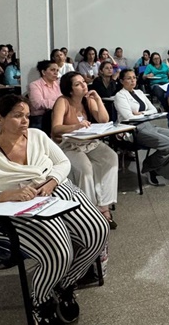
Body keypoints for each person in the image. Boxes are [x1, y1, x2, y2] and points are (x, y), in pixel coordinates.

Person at [0, 94, 109, 325]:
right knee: (58, 251)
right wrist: (6, 194)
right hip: (13, 210)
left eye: (27, 115)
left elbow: (62, 163)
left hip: (53, 191)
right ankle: (41, 299)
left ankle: (65, 282)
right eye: (17, 116)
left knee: (97, 230)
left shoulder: (37, 136)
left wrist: (52, 181)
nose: (25, 121)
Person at [51, 73, 119, 228]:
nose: (83, 85)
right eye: (78, 84)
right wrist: (75, 126)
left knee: (110, 158)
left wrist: (98, 100)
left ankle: (104, 206)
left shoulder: (87, 100)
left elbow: (103, 120)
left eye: (83, 82)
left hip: (88, 141)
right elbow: (56, 129)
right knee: (85, 168)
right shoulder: (63, 101)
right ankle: (89, 210)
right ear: (70, 89)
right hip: (68, 144)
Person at [114, 69, 169, 186]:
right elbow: (129, 117)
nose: (132, 80)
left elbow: (153, 109)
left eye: (134, 77)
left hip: (148, 124)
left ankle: (159, 169)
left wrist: (140, 113)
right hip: (134, 129)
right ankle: (149, 166)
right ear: (122, 81)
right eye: (128, 78)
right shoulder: (120, 96)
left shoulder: (139, 92)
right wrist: (141, 113)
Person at [28, 60, 62, 130]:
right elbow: (37, 103)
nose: (56, 73)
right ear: (43, 72)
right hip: (40, 117)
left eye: (57, 70)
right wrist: (58, 104)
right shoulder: (34, 85)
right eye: (53, 70)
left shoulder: (58, 84)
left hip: (57, 114)